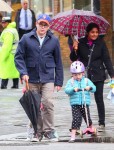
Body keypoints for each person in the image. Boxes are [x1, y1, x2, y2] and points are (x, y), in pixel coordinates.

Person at [15, 14, 64, 141]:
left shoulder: (53, 40)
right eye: (40, 24)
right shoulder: (26, 38)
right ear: (36, 24)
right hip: (31, 78)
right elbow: (18, 57)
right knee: (34, 105)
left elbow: (58, 62)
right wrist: (23, 72)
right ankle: (37, 131)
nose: (42, 27)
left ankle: (49, 131)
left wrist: (59, 81)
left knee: (48, 102)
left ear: (48, 26)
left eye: (45, 25)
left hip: (48, 77)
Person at [70, 23, 114, 132]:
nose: (94, 34)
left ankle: (101, 122)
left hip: (98, 74)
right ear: (87, 32)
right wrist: (74, 49)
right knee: (82, 99)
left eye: (96, 32)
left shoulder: (101, 43)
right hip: (84, 76)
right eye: (92, 32)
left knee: (99, 98)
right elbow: (73, 58)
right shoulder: (81, 42)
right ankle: (85, 122)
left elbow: (107, 59)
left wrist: (112, 74)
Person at [65, 61, 96, 142]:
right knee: (75, 119)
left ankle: (92, 128)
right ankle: (73, 136)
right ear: (72, 74)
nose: (77, 76)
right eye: (75, 75)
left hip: (85, 103)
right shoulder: (71, 82)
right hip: (75, 104)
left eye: (79, 74)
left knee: (87, 118)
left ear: (83, 73)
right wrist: (73, 89)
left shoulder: (86, 81)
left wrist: (90, 87)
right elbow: (66, 90)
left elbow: (94, 88)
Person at [0, 17, 19, 89]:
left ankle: (3, 85)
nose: (2, 23)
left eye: (4, 22)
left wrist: (3, 56)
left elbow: (7, 45)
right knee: (14, 70)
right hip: (14, 53)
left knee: (5, 70)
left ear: (8, 23)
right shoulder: (13, 29)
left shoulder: (8, 32)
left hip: (9, 54)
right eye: (2, 22)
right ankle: (15, 84)